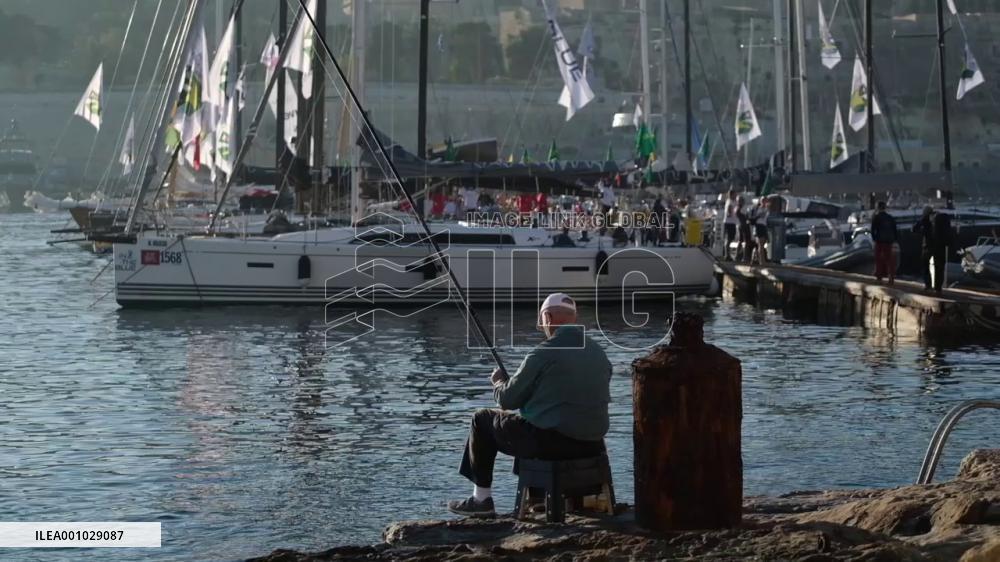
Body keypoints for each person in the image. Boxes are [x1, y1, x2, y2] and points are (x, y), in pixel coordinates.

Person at [448, 293, 612, 517]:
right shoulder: (599, 353)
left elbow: (507, 400)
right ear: (574, 319)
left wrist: (499, 383)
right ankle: (537, 499)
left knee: (482, 419)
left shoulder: (542, 353)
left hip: (552, 445)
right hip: (593, 444)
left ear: (547, 316)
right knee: (532, 419)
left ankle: (481, 500)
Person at [871, 201, 899, 285]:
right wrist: (894, 239)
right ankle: (891, 277)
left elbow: (873, 230)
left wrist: (874, 239)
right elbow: (894, 229)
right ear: (885, 208)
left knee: (878, 258)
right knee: (889, 259)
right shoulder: (890, 217)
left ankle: (879, 277)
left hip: (879, 241)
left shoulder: (876, 217)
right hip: (889, 241)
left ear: (878, 208)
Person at [931, 210, 955, 294]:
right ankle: (938, 287)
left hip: (935, 248)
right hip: (942, 248)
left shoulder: (935, 229)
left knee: (936, 267)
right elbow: (949, 239)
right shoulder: (945, 229)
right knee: (941, 268)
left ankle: (935, 286)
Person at [912, 205, 935, 290]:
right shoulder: (936, 219)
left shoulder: (924, 220)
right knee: (937, 266)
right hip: (937, 246)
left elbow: (914, 229)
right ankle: (936, 285)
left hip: (927, 245)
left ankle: (927, 284)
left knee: (925, 265)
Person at [722, 189, 738, 260]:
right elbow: (729, 212)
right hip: (729, 222)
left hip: (732, 222)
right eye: (735, 194)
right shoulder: (730, 202)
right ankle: (727, 255)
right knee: (729, 239)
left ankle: (727, 254)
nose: (736, 195)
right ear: (732, 194)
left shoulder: (731, 201)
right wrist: (731, 213)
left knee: (730, 238)